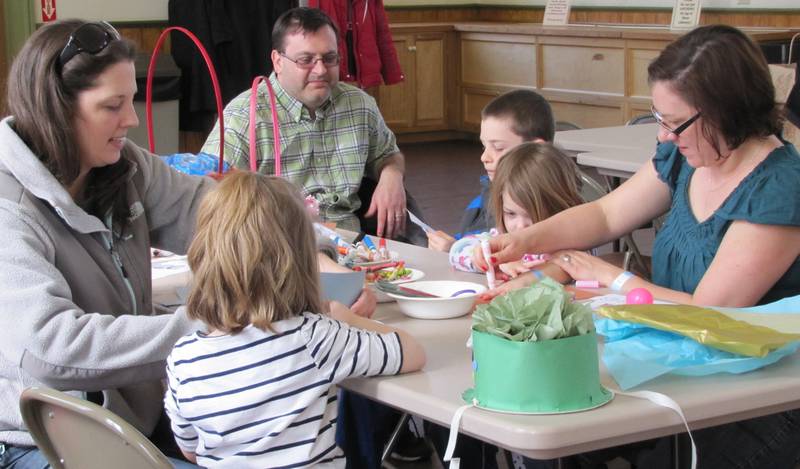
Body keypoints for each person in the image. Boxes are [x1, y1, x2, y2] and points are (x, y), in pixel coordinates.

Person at [475, 24, 800, 468]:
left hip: (756, 399)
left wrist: (612, 277)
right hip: (680, 367)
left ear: (725, 111)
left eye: (673, 121)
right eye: (658, 117)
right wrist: (521, 240)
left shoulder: (779, 188)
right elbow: (606, 215)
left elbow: (709, 313)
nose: (664, 134)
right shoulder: (690, 157)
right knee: (555, 430)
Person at [0, 19, 215, 468]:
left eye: (131, 101)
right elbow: (51, 349)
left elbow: (214, 214)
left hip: (129, 416)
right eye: (112, 106)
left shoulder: (124, 166)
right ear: (55, 110)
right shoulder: (7, 206)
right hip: (37, 439)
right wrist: (216, 325)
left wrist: (297, 237)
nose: (132, 120)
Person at [163, 171, 425, 468]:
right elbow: (412, 352)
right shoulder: (314, 338)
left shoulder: (183, 360)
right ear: (300, 261)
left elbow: (191, 451)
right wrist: (349, 319)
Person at [201, 7, 408, 239]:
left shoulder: (358, 105)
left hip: (354, 248)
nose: (320, 70)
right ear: (278, 61)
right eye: (305, 60)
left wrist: (392, 175)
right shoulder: (243, 117)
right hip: (277, 248)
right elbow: (210, 194)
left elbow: (388, 154)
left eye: (330, 58)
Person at [427, 89, 555, 252]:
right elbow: (474, 236)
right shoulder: (482, 200)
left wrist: (455, 249)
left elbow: (522, 255)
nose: (484, 157)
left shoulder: (552, 206)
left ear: (536, 149)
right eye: (484, 146)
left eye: (498, 147)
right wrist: (454, 244)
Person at [449, 142, 581, 285]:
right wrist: (489, 260)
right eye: (511, 213)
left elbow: (573, 269)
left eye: (532, 215)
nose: (520, 226)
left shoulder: (568, 247)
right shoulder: (501, 238)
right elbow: (458, 249)